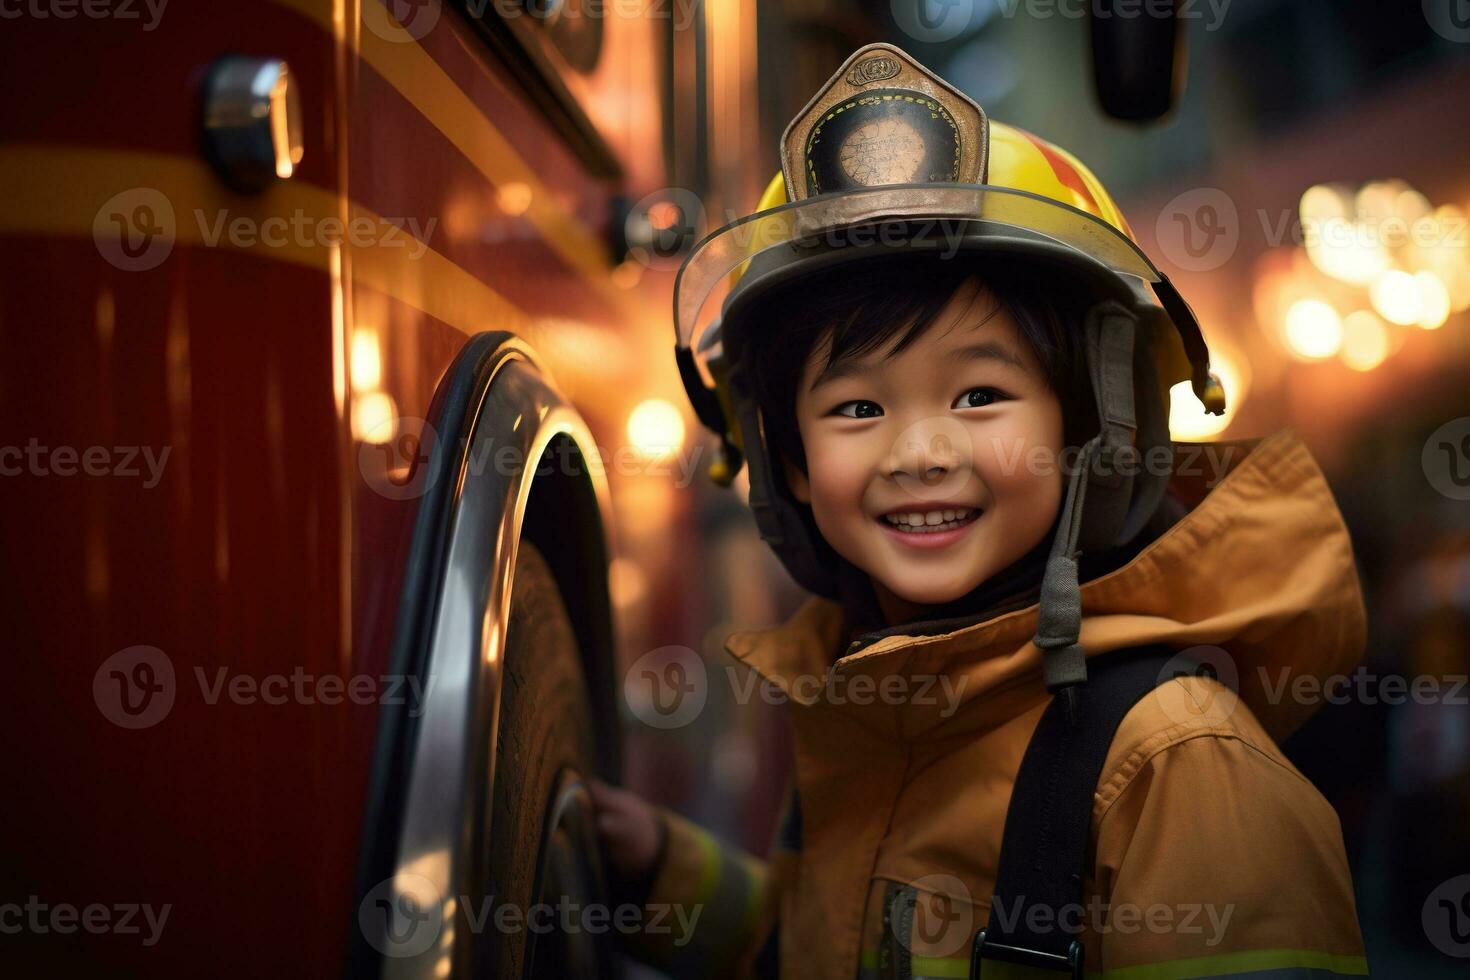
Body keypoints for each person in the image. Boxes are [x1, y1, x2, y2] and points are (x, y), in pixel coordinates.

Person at [590, 42, 1369, 980]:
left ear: (1094, 427)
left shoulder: (1179, 768)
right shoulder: (865, 712)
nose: (920, 454)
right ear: (782, 458)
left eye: (979, 398)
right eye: (858, 409)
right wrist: (669, 881)